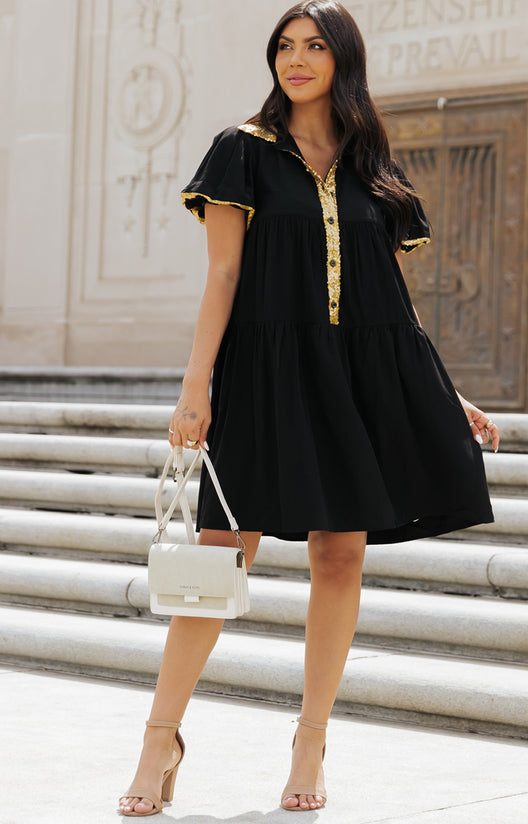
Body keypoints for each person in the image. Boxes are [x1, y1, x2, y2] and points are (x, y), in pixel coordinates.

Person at [119, 0, 499, 815]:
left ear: (343, 60)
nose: (295, 59)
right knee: (220, 559)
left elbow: (392, 297)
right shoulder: (241, 152)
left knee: (339, 556)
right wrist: (195, 387)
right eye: (284, 46)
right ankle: (160, 737)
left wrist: (447, 391)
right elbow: (222, 276)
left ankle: (311, 740)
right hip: (263, 375)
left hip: (356, 379)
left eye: (314, 46)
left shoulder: (371, 166)